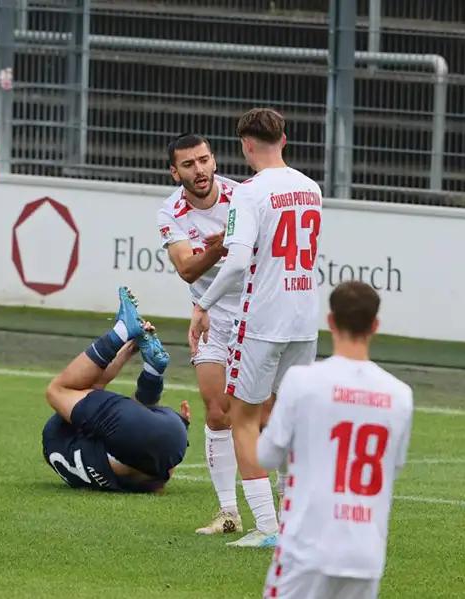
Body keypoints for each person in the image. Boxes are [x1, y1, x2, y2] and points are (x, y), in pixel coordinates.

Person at [189, 107, 324, 548]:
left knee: (242, 417)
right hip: (305, 317)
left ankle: (267, 528)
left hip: (263, 318)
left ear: (246, 145)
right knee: (293, 418)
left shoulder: (248, 192)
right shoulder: (311, 188)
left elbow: (239, 260)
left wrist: (203, 305)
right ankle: (298, 522)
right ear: (284, 139)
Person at [257, 281, 413, 599]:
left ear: (330, 321)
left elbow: (268, 455)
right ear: (375, 326)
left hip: (307, 546)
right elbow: (390, 470)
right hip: (365, 553)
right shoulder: (399, 395)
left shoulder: (302, 381)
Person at [156, 133, 245, 534]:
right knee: (217, 411)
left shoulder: (243, 197)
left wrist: (225, 245)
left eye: (205, 160)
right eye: (189, 164)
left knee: (268, 416)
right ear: (175, 172)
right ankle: (229, 512)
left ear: (214, 160)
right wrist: (220, 247)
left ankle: (288, 508)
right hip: (211, 318)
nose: (200, 169)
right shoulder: (170, 212)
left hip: (254, 313)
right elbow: (188, 269)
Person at [42, 286, 191, 494]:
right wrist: (126, 345)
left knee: (140, 434)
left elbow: (160, 480)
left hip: (174, 440)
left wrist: (183, 426)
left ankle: (152, 372)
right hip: (139, 435)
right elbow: (94, 384)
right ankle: (122, 331)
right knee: (56, 391)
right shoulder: (56, 435)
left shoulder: (64, 443)